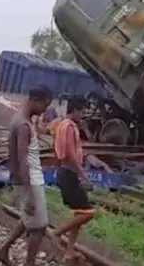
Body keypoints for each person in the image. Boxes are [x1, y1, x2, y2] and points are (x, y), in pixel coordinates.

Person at [0, 87, 52, 266]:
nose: (45, 110)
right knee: (39, 228)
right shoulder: (24, 126)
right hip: (31, 181)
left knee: (28, 219)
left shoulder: (21, 120)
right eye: (45, 104)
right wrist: (29, 194)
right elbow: (22, 160)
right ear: (35, 99)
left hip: (28, 180)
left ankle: (3, 250)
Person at [51, 96, 95, 262]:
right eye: (82, 111)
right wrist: (83, 174)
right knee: (88, 212)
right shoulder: (68, 126)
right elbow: (69, 153)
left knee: (79, 212)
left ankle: (69, 251)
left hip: (66, 172)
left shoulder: (63, 125)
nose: (83, 114)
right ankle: (57, 232)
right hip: (69, 173)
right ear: (75, 109)